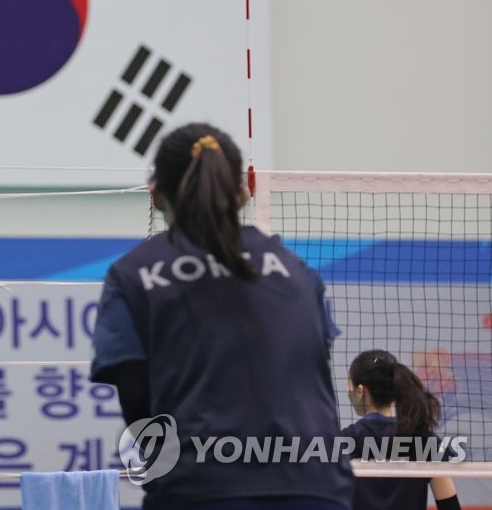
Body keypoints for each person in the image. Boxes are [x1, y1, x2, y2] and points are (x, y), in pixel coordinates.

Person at [90, 121, 353, 509]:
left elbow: (139, 409)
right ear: (244, 194)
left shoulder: (132, 276)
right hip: (318, 487)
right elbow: (312, 376)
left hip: (201, 489)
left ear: (155, 193)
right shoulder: (296, 271)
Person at [343, 349, 461, 510]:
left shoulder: (343, 442)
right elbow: (450, 506)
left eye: (349, 386)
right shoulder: (425, 441)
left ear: (360, 391)